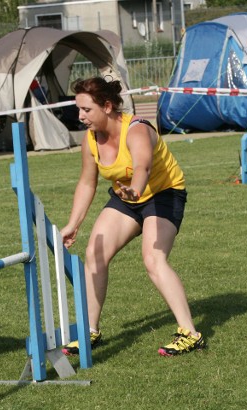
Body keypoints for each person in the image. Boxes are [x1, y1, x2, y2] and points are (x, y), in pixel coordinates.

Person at [60, 77, 205, 357]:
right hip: (126, 196)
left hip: (163, 193)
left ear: (107, 106)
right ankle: (90, 331)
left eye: (86, 110)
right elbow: (87, 183)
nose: (80, 116)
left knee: (153, 259)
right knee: (95, 253)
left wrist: (136, 190)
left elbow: (143, 166)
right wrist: (73, 224)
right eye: (78, 109)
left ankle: (190, 334)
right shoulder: (90, 140)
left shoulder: (136, 130)